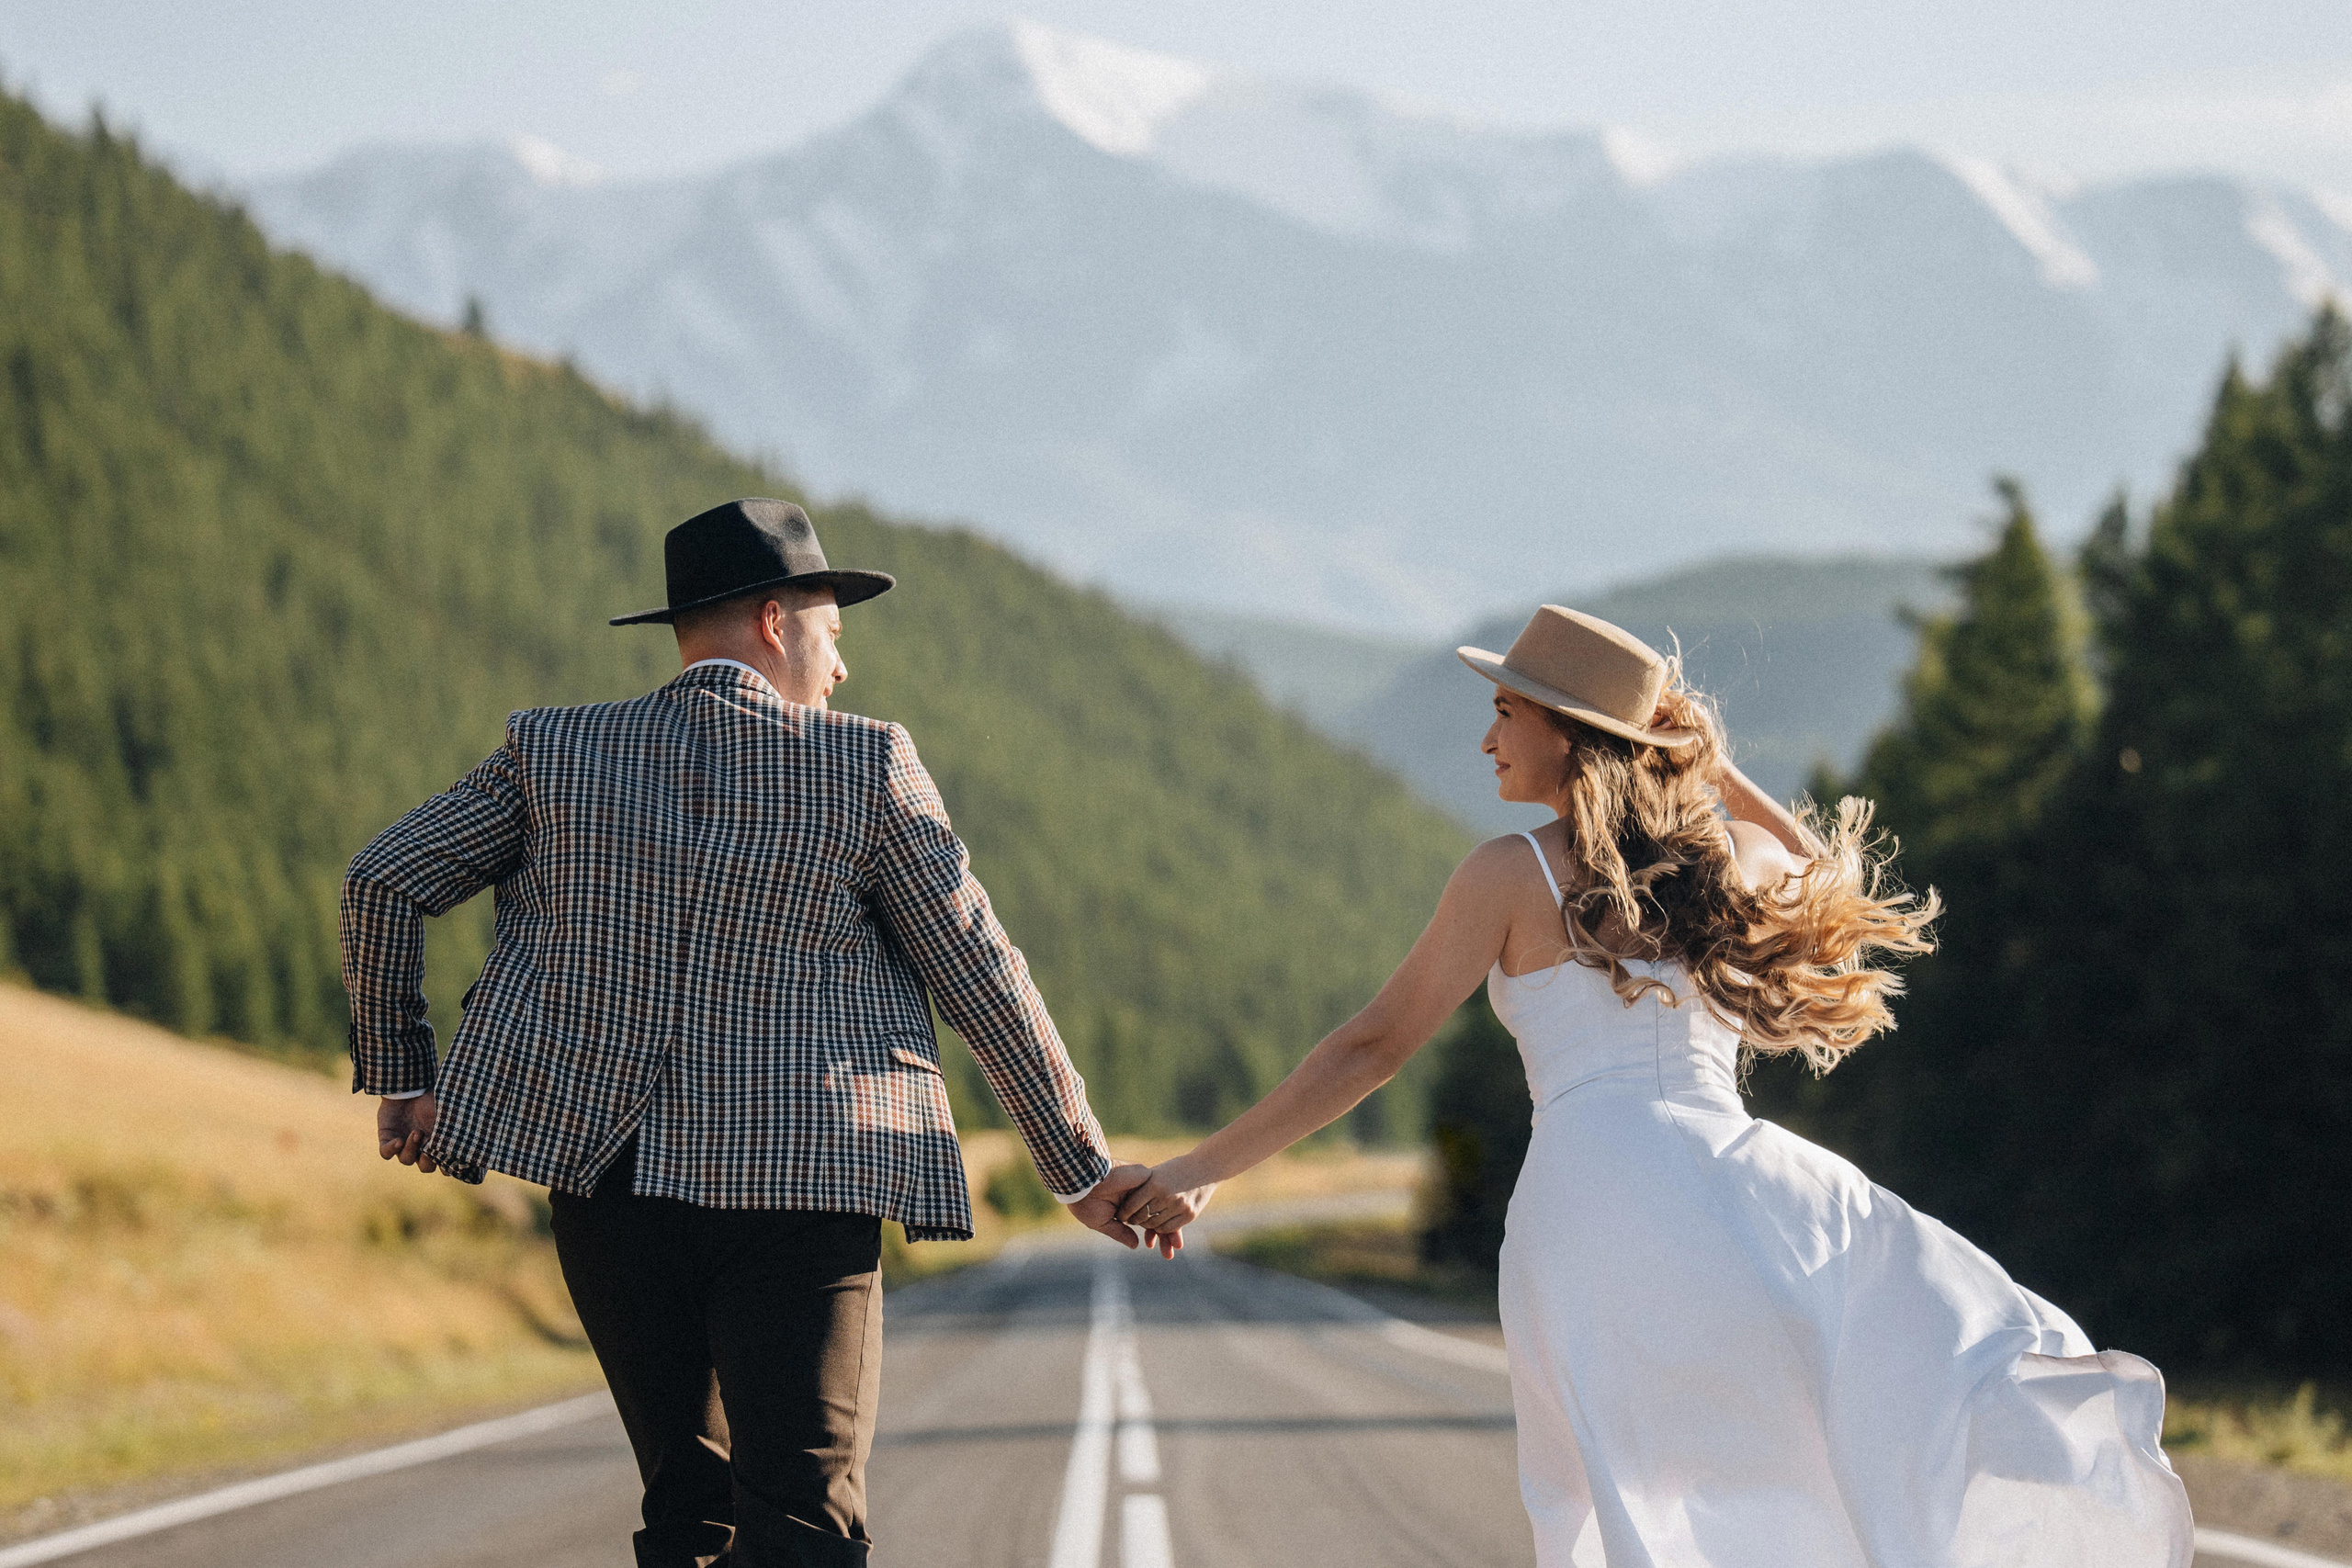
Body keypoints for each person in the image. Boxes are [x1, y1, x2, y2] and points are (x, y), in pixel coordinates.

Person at [1115, 605, 2193, 1566]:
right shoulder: (1719, 864)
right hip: (1741, 1195)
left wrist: (1201, 1170)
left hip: (1590, 1214)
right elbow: (1816, 859)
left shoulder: (1508, 874)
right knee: (1810, 1444)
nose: (1486, 737)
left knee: (1620, 1490)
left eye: (1505, 712)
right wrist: (1708, 769)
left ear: (1570, 735)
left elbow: (1372, 1047)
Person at [340, 498, 1149, 1568]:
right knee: (804, 1527)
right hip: (800, 1198)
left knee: (689, 1515)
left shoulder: (554, 749)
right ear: (776, 622)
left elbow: (381, 881)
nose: (842, 667)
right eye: (834, 632)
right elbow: (979, 975)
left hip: (608, 1189)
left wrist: (403, 1072)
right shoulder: (865, 766)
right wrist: (1077, 1167)